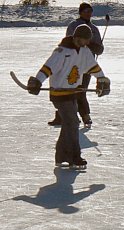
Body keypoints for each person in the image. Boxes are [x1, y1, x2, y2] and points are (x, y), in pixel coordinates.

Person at [27, 24, 110, 169]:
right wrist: (38, 81)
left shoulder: (84, 51)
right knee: (72, 122)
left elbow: (93, 67)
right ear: (77, 37)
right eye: (85, 39)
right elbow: (47, 68)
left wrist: (101, 79)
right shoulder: (61, 51)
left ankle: (62, 157)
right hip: (59, 94)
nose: (87, 42)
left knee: (69, 124)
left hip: (73, 92)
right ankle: (74, 156)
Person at [48, 2, 104, 128]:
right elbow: (69, 44)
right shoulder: (73, 26)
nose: (88, 13)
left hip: (87, 66)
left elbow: (100, 49)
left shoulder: (94, 29)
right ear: (80, 12)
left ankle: (84, 115)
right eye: (85, 11)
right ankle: (64, 115)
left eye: (90, 11)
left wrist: (91, 45)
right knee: (67, 89)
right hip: (71, 64)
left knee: (80, 91)